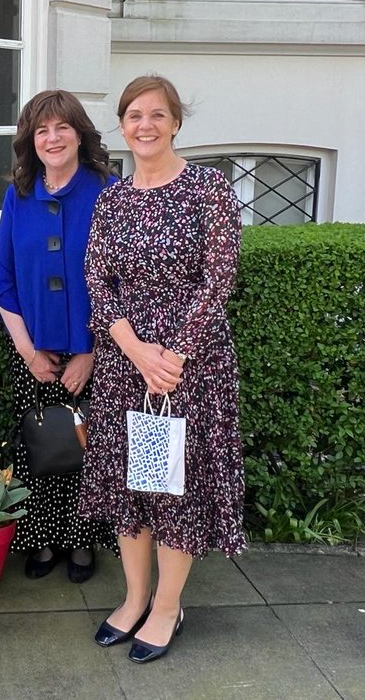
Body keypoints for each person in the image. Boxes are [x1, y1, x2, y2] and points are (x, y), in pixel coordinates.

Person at [79, 74, 244, 663]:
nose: (144, 125)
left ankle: (168, 608)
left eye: (156, 114)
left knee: (172, 485)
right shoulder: (113, 198)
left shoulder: (207, 189)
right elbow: (98, 280)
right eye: (132, 115)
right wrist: (135, 348)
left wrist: (170, 354)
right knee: (134, 485)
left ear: (175, 122)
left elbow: (218, 277)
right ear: (122, 127)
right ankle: (134, 598)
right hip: (130, 367)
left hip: (187, 369)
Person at [0, 89, 117, 583]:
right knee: (41, 449)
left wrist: (91, 353)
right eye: (42, 130)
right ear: (30, 141)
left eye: (62, 127)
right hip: (32, 352)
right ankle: (42, 541)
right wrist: (28, 350)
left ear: (79, 134)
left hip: (97, 353)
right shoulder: (18, 195)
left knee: (87, 449)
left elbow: (120, 283)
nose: (52, 137)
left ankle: (82, 545)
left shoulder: (108, 191)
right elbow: (4, 279)